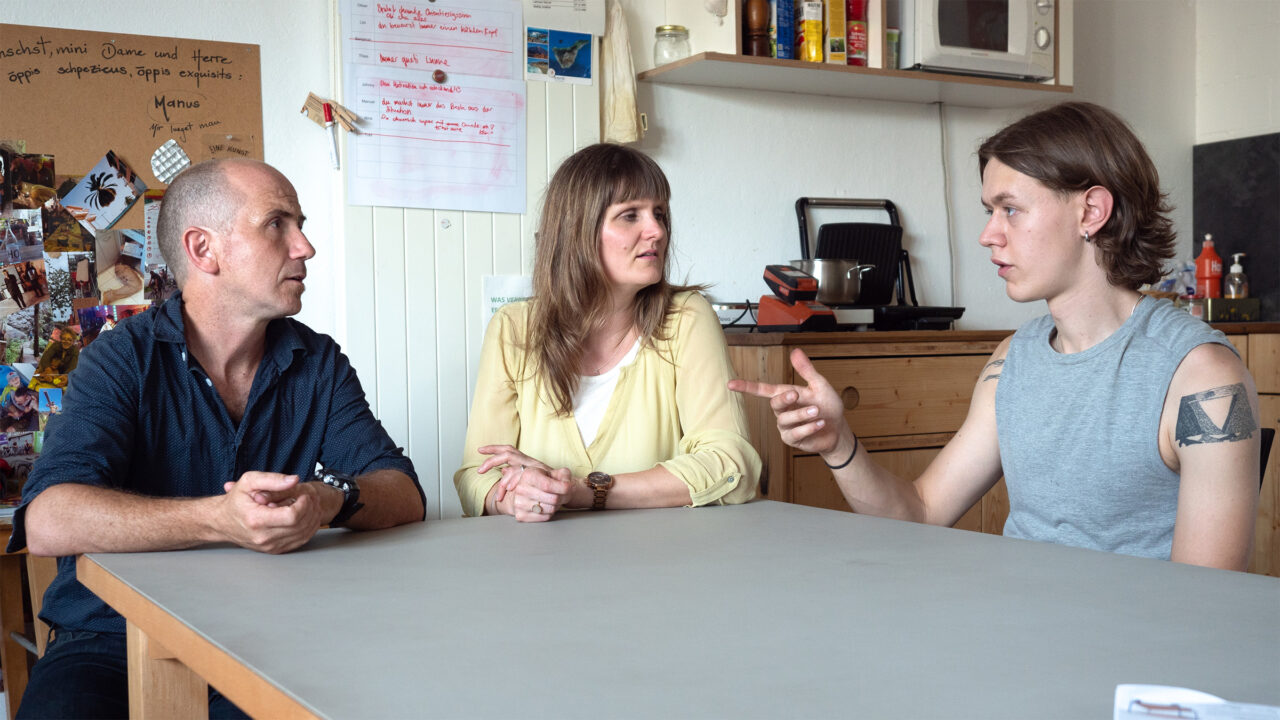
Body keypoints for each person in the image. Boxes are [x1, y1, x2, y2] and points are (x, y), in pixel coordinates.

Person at [731, 101, 1260, 572]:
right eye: (989, 211)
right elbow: (920, 512)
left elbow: (1204, 600)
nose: (989, 234)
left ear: (1091, 212)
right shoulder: (1014, 360)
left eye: (1010, 208)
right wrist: (837, 444)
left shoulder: (1202, 377)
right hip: (1016, 638)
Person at [8, 158, 427, 719]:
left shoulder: (318, 363)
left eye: (299, 223)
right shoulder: (120, 360)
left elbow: (403, 492)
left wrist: (331, 501)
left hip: (272, 640)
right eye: (277, 224)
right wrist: (219, 519)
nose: (305, 247)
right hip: (107, 644)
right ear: (204, 250)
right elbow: (48, 520)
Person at [454, 143, 759, 520]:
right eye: (630, 215)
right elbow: (475, 477)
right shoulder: (513, 328)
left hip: (662, 565)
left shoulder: (686, 318)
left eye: (660, 214)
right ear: (577, 231)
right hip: (541, 564)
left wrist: (581, 492)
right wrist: (516, 497)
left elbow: (732, 465)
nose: (657, 231)